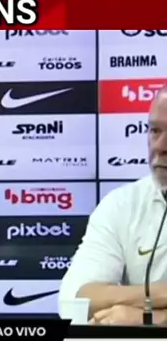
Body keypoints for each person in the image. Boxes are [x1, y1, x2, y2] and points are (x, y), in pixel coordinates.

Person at [59, 86, 167, 325]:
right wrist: (158, 294)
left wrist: (152, 319)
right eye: (155, 131)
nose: (160, 146)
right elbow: (75, 301)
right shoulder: (122, 204)